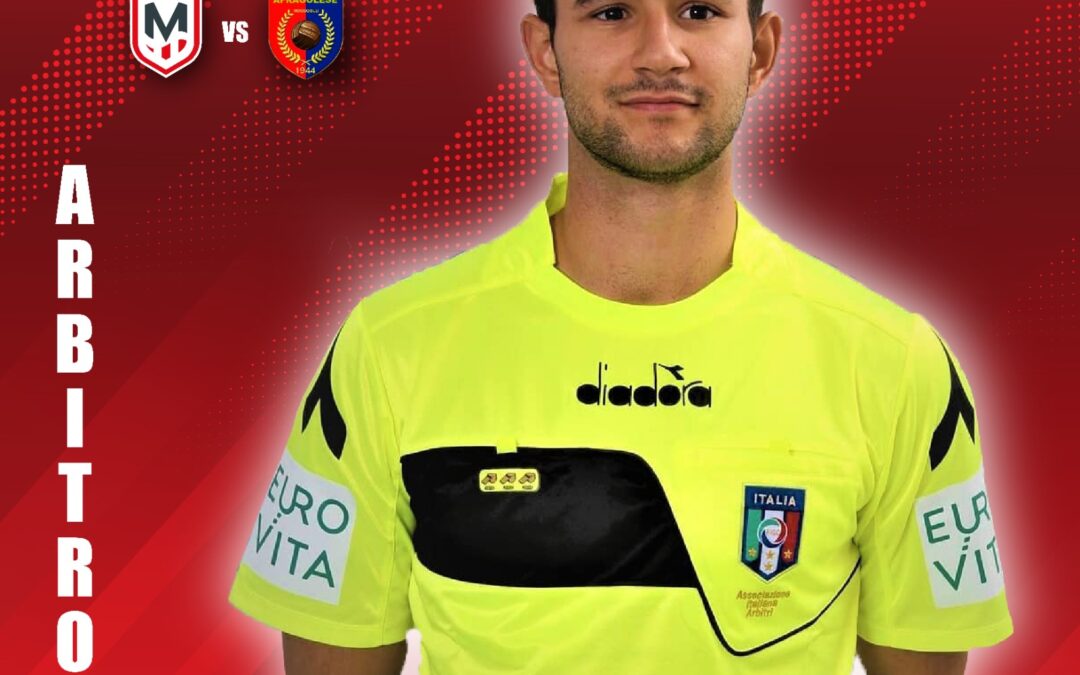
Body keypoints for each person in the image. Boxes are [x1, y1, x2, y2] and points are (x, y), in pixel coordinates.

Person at [228, 1, 1014, 673]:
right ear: (546, 52)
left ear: (760, 50)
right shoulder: (387, 348)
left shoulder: (894, 362)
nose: (660, 51)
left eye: (698, 10)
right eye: (611, 11)